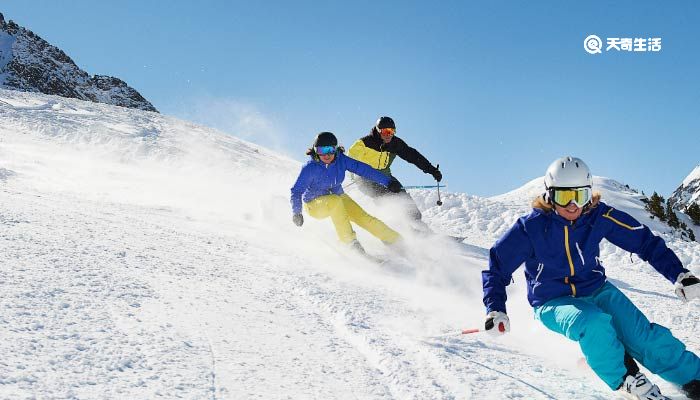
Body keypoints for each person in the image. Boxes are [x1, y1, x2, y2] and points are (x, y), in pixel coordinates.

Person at [481, 156, 700, 400]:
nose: (573, 205)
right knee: (593, 323)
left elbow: (644, 242)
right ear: (550, 195)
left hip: (597, 289)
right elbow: (497, 268)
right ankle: (626, 378)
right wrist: (495, 308)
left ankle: (694, 376)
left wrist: (679, 273)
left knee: (643, 337)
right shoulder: (530, 228)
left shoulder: (598, 217)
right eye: (564, 197)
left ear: (589, 194)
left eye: (580, 196)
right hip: (552, 301)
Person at [290, 131, 404, 256]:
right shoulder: (310, 167)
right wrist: (297, 212)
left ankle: (395, 241)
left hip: (337, 197)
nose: (327, 154)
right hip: (314, 205)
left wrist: (388, 182)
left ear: (335, 149)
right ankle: (350, 244)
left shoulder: (341, 160)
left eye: (330, 149)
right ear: (315, 151)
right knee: (335, 201)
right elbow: (296, 191)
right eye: (322, 150)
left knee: (363, 217)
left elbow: (364, 169)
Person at [348, 116, 442, 232]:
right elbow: (349, 161)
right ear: (378, 130)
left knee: (403, 198)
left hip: (386, 176)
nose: (388, 135)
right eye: (385, 131)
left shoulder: (395, 143)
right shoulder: (364, 143)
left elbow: (413, 156)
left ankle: (421, 228)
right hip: (364, 178)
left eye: (391, 131)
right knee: (389, 198)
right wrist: (353, 178)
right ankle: (402, 230)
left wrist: (432, 170)